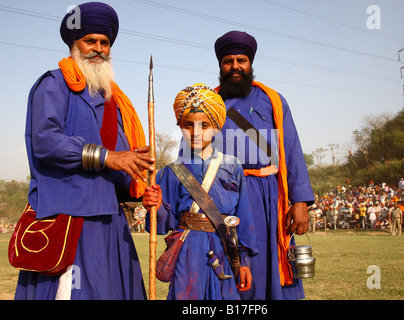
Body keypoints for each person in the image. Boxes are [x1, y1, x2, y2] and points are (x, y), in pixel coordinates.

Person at [14, 2, 152, 300]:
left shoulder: (115, 101)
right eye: (90, 41)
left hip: (110, 224)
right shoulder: (53, 85)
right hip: (68, 221)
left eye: (105, 43)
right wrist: (108, 156)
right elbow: (46, 141)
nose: (98, 49)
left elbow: (120, 166)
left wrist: (138, 187)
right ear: (74, 44)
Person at [213, 31, 315, 300]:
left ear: (250, 64)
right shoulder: (207, 102)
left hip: (266, 198)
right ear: (220, 65)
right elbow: (193, 155)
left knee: (266, 267)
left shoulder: (272, 100)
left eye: (241, 60)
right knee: (225, 268)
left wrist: (301, 202)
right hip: (223, 198)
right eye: (228, 61)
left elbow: (291, 150)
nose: (235, 66)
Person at [143, 84, 258, 300]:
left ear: (216, 127)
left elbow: (244, 218)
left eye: (203, 125)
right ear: (180, 126)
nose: (195, 132)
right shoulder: (170, 172)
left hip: (224, 251)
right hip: (188, 253)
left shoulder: (232, 166)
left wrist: (243, 262)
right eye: (188, 125)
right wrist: (155, 205)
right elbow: (162, 223)